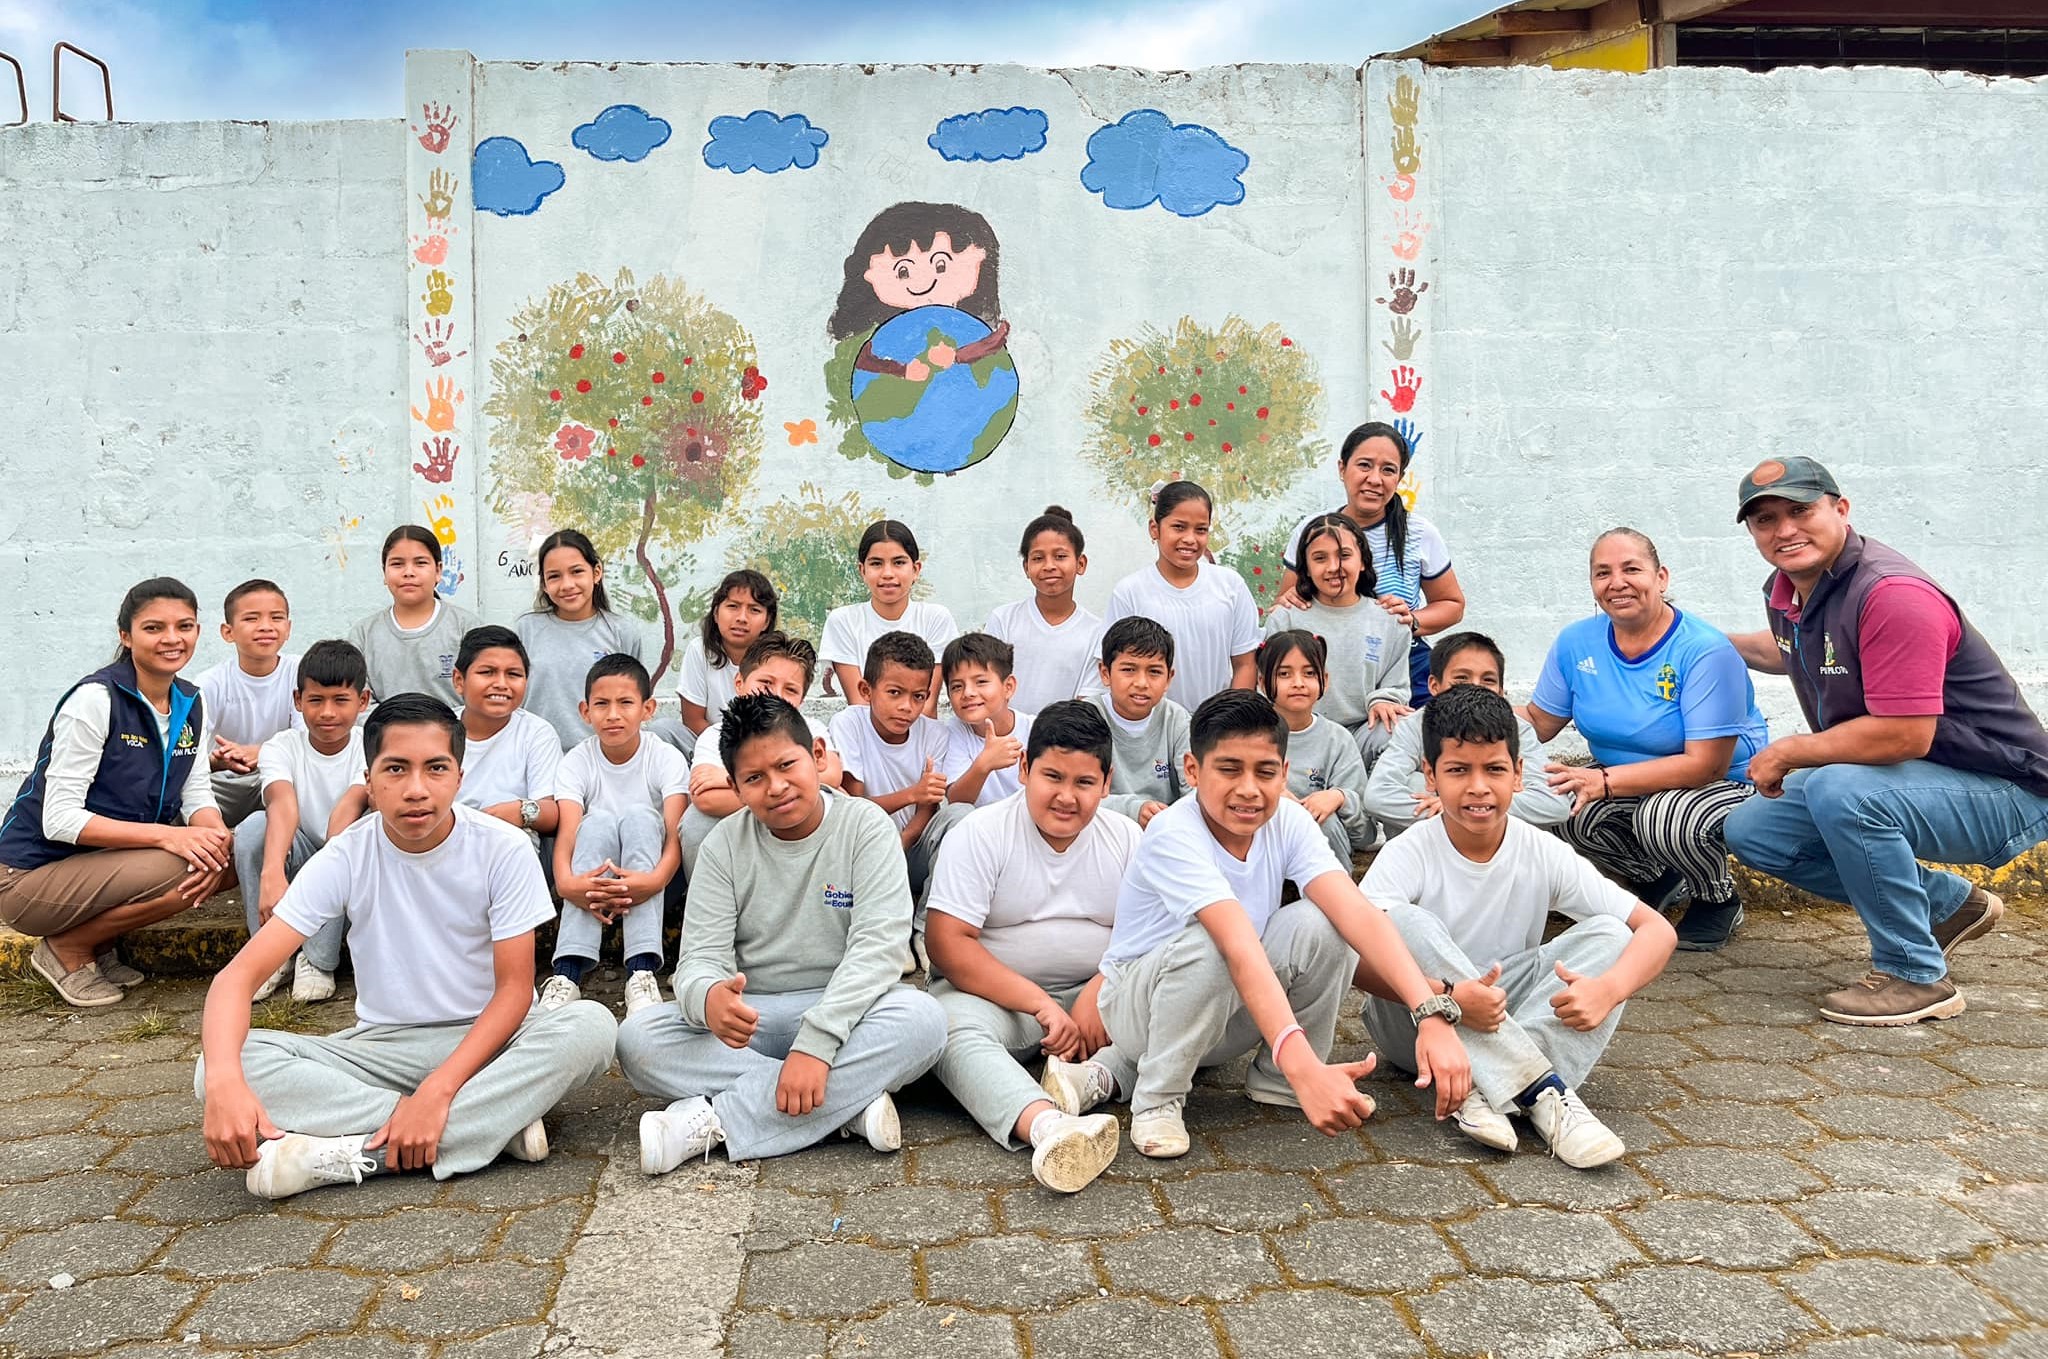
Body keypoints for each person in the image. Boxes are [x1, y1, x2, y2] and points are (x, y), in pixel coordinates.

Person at [196, 695, 618, 1200]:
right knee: (219, 1065)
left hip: (493, 1044)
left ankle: (356, 1153)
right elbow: (235, 979)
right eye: (396, 769)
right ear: (369, 781)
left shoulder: (502, 848)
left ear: (459, 778)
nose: (416, 789)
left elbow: (513, 992)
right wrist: (224, 1083)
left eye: (435, 768)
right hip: (384, 1049)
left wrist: (439, 1090)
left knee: (591, 1026)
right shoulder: (346, 854)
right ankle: (485, 1126)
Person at [1721, 457, 2048, 1025]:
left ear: (1841, 509)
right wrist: (1685, 638)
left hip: (2008, 790)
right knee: (1756, 830)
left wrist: (1787, 751)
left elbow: (1904, 733)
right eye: (1765, 519)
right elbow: (1789, 651)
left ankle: (1915, 975)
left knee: (1843, 791)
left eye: (1800, 510)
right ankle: (1948, 908)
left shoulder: (1892, 594)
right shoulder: (1795, 590)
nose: (1784, 529)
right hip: (1925, 777)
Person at [1095, 689, 1473, 1159]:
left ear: (1284, 772)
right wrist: (1304, 1065)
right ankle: (1158, 1097)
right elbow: (1236, 945)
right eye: (1229, 769)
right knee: (1213, 942)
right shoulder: (1173, 832)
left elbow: (1356, 913)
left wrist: (1430, 1012)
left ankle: (1280, 1079)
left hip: (1224, 1007)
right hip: (1140, 1015)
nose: (1249, 789)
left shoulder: (1289, 820)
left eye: (1265, 772)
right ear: (1192, 770)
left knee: (1325, 921)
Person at [619, 694, 948, 1173]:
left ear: (817, 755)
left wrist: (816, 1045)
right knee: (638, 1040)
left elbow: (878, 951)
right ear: (735, 787)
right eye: (754, 778)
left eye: (786, 765)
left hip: (848, 1011)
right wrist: (708, 998)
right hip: (752, 1021)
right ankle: (845, 1106)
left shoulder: (865, 827)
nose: (776, 787)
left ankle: (715, 1121)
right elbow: (699, 959)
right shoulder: (723, 845)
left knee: (923, 1019)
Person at [1360, 685, 1677, 1168]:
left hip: (1499, 1006)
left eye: (1494, 769)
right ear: (1430, 775)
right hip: (1416, 1020)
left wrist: (1609, 990)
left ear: (1519, 773)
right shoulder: (1409, 851)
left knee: (1612, 935)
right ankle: (1540, 1087)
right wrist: (1444, 996)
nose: (1478, 787)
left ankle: (1491, 1087)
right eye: (1458, 770)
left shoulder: (1541, 850)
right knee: (1401, 921)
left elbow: (1657, 930)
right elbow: (1352, 959)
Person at [1525, 528, 1769, 952]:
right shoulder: (1576, 642)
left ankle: (1716, 898)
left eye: (1631, 569)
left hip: (1723, 780)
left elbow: (1705, 764)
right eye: (1603, 573)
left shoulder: (1705, 650)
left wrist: (1602, 782)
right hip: (1627, 774)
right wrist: (1458, 707)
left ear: (1661, 578)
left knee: (1662, 817)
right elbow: (1538, 722)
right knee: (1560, 806)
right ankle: (1657, 878)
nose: (1616, 582)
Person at [926, 701, 1135, 1193]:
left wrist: (1101, 988)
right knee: (940, 1029)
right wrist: (1039, 1004)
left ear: (1107, 784)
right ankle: (1049, 1126)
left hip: (1102, 1000)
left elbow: (1149, 935)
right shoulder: (979, 833)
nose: (1066, 796)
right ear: (1024, 769)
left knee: (1179, 999)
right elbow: (946, 944)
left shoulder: (1128, 838)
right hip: (1002, 1002)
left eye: (1084, 782)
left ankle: (1095, 1079)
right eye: (1052, 777)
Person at [0, 578, 230, 1008]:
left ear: (198, 631)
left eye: (184, 626)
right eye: (154, 628)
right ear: (126, 636)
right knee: (184, 860)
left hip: (101, 865)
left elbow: (196, 789)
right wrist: (171, 836)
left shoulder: (189, 701)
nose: (172, 639)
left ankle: (98, 944)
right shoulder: (95, 700)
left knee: (226, 856)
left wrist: (214, 836)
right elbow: (59, 819)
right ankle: (68, 949)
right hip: (28, 876)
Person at [1274, 422, 1466, 704]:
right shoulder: (1312, 530)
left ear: (1399, 478)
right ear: (1342, 469)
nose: (1375, 479)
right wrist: (1290, 599)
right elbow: (1287, 600)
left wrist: (1411, 621)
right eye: (1364, 465)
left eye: (1388, 470)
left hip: (1403, 666)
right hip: (1325, 664)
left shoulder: (1419, 533)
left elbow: (1452, 604)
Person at [544, 655, 689, 1018]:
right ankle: (567, 975)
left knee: (641, 817)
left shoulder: (665, 757)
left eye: (625, 703)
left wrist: (654, 880)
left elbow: (676, 834)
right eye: (601, 704)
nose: (613, 715)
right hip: (594, 877)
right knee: (596, 822)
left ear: (647, 709)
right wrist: (566, 883)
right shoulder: (577, 762)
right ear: (585, 711)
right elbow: (568, 834)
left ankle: (641, 971)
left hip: (655, 875)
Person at [233, 640, 372, 1006]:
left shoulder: (370, 746)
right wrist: (271, 873)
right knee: (252, 829)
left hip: (343, 853)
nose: (327, 712)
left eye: (340, 700)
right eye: (315, 700)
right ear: (297, 700)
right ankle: (269, 955)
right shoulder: (281, 746)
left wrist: (327, 860)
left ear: (363, 701)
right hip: (298, 846)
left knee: (349, 842)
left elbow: (348, 810)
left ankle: (317, 959)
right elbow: (282, 804)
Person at [1364, 632, 1572, 838]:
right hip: (1429, 845)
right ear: (1434, 686)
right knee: (1416, 784)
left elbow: (1554, 805)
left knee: (1512, 786)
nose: (1474, 686)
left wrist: (1469, 808)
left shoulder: (1518, 729)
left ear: (1500, 691)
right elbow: (1378, 795)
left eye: (1488, 680)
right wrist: (1452, 810)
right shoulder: (1413, 726)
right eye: (1461, 678)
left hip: (1499, 844)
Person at [680, 633, 841, 880]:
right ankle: (706, 895)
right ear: (739, 682)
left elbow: (832, 775)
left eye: (790, 690)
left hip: (802, 831)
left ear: (801, 700)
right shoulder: (716, 735)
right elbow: (705, 798)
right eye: (765, 683)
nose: (775, 695)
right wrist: (796, 790)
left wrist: (732, 780)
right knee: (696, 822)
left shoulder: (811, 728)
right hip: (744, 833)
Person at [1261, 511, 1412, 764]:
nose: (1333, 567)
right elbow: (1269, 686)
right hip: (1302, 734)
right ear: (1306, 568)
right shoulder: (1285, 619)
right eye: (1320, 558)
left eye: (1344, 555)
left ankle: (1375, 789)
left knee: (1404, 727)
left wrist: (1385, 701)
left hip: (1364, 731)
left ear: (1363, 561)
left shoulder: (1390, 620)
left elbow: (1396, 683)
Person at [1104, 481, 1260, 712]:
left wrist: (1231, 720)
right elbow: (1117, 668)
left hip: (1218, 724)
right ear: (1154, 529)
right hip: (1150, 724)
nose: (1190, 539)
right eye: (1179, 527)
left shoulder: (1230, 586)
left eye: (1201, 530)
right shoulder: (1130, 593)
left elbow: (1245, 664)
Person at [826, 631, 959, 901]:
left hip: (913, 847)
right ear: (866, 690)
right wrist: (913, 793)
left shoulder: (936, 734)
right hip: (863, 847)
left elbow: (928, 807)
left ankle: (927, 920)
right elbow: (854, 806)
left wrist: (904, 841)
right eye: (894, 693)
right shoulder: (849, 724)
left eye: (918, 696)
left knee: (960, 815)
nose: (906, 707)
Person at [514, 529, 647, 751]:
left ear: (596, 573)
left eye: (576, 571)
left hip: (602, 758)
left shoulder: (621, 632)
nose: (567, 585)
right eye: (554, 576)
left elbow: (634, 698)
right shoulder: (526, 629)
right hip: (537, 756)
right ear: (544, 584)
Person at [1258, 631, 1374, 863]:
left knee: (1324, 821)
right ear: (1262, 682)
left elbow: (1365, 835)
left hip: (1322, 854)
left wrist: (1339, 797)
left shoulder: (1337, 740)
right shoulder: (1248, 736)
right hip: (1263, 842)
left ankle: (1335, 886)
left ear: (1325, 680)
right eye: (1284, 674)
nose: (1298, 683)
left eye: (1309, 673)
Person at [819, 520, 958, 709]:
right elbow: (859, 705)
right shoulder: (843, 621)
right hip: (865, 728)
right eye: (876, 563)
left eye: (898, 562)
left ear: (916, 569)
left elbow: (926, 706)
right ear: (862, 571)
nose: (887, 573)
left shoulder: (936, 619)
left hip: (922, 728)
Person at [198, 579, 300, 827]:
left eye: (276, 617)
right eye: (251, 618)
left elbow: (309, 739)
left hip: (282, 775)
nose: (265, 627)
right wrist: (215, 761)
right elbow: (188, 753)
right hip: (225, 781)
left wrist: (263, 752)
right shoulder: (210, 683)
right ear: (228, 632)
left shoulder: (301, 672)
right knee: (184, 792)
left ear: (288, 628)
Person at [985, 507, 1104, 714]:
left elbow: (1086, 705)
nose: (1049, 566)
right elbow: (987, 686)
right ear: (1026, 567)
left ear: (1080, 563)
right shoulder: (1004, 619)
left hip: (1066, 733)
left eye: (1060, 556)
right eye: (1038, 558)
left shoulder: (1097, 632)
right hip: (1006, 733)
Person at [347, 526, 480, 710]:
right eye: (397, 564)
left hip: (453, 728)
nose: (408, 572)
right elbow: (358, 702)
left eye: (420, 563)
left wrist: (448, 725)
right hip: (384, 728)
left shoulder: (466, 627)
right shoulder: (363, 634)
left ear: (438, 571)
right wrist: (390, 726)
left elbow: (479, 695)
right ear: (384, 572)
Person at [450, 626, 561, 842]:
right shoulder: (438, 729)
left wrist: (520, 810)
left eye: (513, 674)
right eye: (487, 672)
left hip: (510, 845)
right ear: (459, 680)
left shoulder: (537, 733)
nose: (501, 684)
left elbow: (552, 812)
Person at [1083, 618, 1192, 827]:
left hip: (1164, 829)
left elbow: (1195, 792)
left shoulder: (1177, 721)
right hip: (1101, 829)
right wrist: (1133, 809)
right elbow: (1077, 792)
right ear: (1105, 673)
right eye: (1129, 669)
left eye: (1154, 672)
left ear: (1169, 678)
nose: (1141, 683)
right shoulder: (1086, 718)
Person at [677, 569, 778, 748]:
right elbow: (693, 720)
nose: (742, 618)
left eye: (754, 610)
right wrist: (726, 751)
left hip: (760, 749)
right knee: (664, 729)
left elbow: (776, 723)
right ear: (716, 613)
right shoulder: (699, 650)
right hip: (706, 744)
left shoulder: (777, 660)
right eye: (733, 606)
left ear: (767, 621)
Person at [940, 632, 1035, 810]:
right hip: (978, 823)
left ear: (1008, 687)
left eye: (981, 682)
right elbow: (956, 801)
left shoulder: (1036, 730)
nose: (968, 693)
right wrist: (984, 764)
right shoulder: (954, 731)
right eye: (957, 686)